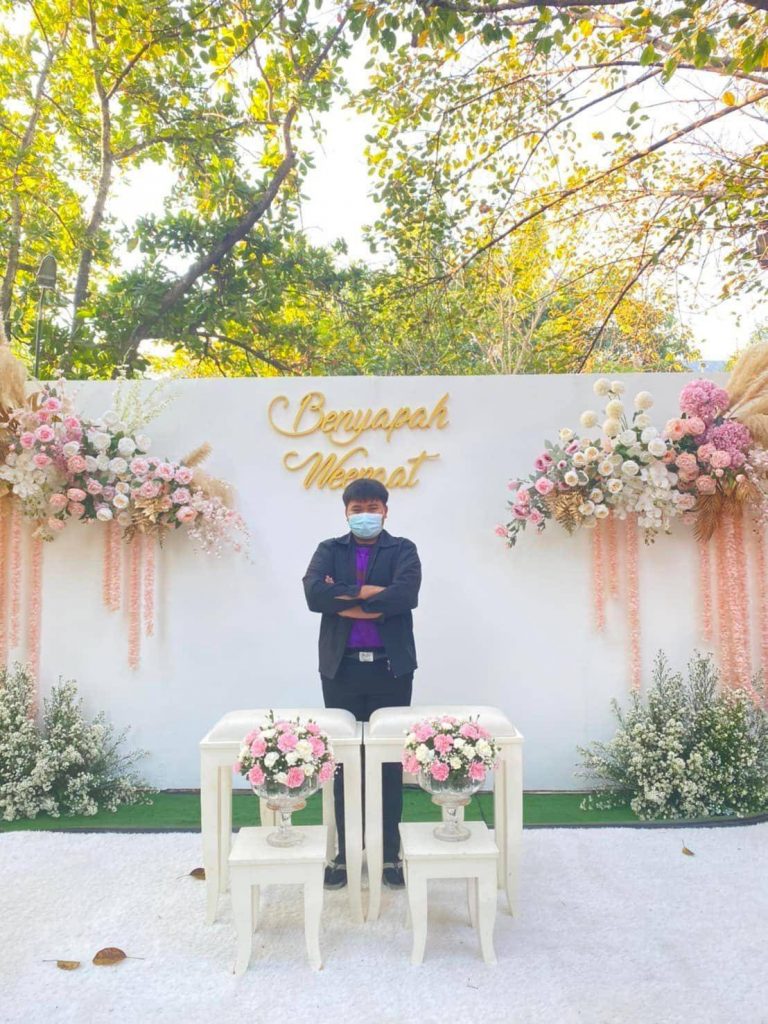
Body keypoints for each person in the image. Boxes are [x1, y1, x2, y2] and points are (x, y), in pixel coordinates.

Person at [302, 478, 421, 890]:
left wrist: (344, 600)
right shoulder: (329, 550)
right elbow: (314, 595)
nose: (365, 515)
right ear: (346, 512)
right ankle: (344, 855)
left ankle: (389, 856)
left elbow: (404, 596)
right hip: (341, 669)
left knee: (388, 763)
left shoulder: (403, 549)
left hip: (391, 669)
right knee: (343, 763)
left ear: (385, 511)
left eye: (373, 507)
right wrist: (372, 597)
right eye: (357, 509)